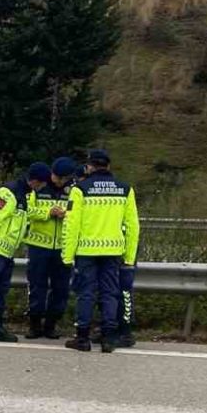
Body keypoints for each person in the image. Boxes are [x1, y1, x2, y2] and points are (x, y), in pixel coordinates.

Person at [60, 148, 140, 353]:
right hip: (113, 252)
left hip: (86, 252)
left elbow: (71, 224)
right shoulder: (125, 189)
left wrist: (67, 256)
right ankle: (108, 338)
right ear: (108, 166)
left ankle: (82, 338)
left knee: (86, 294)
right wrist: (129, 257)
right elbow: (132, 226)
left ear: (89, 167)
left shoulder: (80, 189)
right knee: (110, 293)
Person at [0, 163, 54, 345]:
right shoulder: (9, 192)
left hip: (7, 253)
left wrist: (48, 213)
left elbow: (29, 213)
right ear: (35, 181)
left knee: (0, 292)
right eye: (42, 183)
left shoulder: (24, 195)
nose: (43, 187)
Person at [24, 157, 78, 338]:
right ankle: (34, 324)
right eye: (57, 177)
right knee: (36, 287)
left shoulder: (74, 190)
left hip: (62, 248)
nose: (59, 181)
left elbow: (78, 214)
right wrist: (48, 212)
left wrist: (66, 214)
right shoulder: (38, 186)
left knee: (61, 289)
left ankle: (51, 325)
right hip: (38, 246)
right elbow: (27, 211)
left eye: (64, 178)